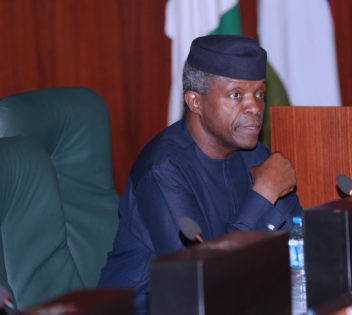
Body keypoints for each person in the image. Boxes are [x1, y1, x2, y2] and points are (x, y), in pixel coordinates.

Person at [97, 34, 302, 314]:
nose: (255, 107)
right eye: (236, 95)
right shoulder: (162, 171)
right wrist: (263, 194)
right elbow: (202, 286)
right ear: (195, 101)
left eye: (260, 94)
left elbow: (298, 250)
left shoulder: (255, 154)